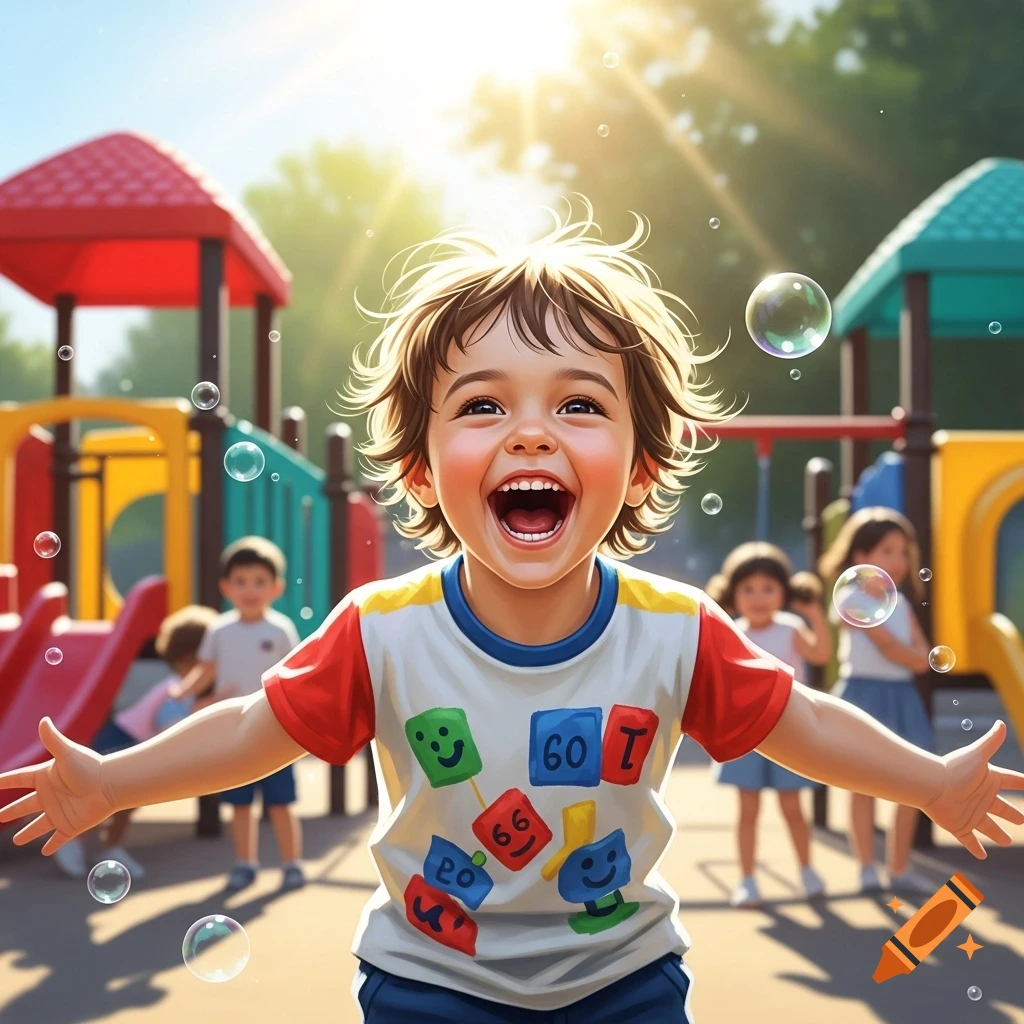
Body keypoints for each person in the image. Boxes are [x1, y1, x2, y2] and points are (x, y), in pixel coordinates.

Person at [2, 206, 1022, 1024]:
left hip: (625, 979)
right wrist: (113, 779)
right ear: (418, 466)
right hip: (426, 981)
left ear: (640, 468)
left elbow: (799, 719)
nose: (530, 432)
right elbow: (250, 725)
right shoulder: (384, 626)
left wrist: (926, 780)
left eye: (578, 405)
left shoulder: (675, 627)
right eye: (483, 405)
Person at [169, 536, 304, 892]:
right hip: (234, 732)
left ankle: (292, 864)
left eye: (259, 582)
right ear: (226, 587)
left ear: (276, 588)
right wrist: (185, 688)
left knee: (280, 803)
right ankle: (245, 863)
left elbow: (295, 671)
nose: (250, 590)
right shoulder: (219, 630)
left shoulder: (280, 630)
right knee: (240, 805)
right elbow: (207, 669)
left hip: (274, 729)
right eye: (241, 582)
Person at [52, 604, 219, 880]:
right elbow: (171, 726)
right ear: (193, 656)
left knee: (123, 801)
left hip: (131, 741)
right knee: (105, 798)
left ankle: (110, 846)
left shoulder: (182, 685)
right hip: (123, 741)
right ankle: (74, 838)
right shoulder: (178, 687)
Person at [706, 543, 832, 908]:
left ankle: (807, 871)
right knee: (748, 812)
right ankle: (747, 880)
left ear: (784, 592)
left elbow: (821, 654)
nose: (758, 597)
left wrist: (815, 616)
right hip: (746, 735)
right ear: (733, 594)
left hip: (789, 732)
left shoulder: (792, 628)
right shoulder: (731, 631)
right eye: (748, 589)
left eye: (768, 588)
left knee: (793, 809)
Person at [819, 506, 937, 896]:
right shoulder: (851, 598)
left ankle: (898, 866)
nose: (899, 561)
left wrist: (916, 656)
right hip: (866, 694)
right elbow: (893, 648)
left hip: (901, 697)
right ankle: (868, 867)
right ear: (860, 557)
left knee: (914, 784)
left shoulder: (900, 603)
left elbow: (920, 653)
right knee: (863, 785)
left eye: (903, 553)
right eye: (887, 551)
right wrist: (916, 656)